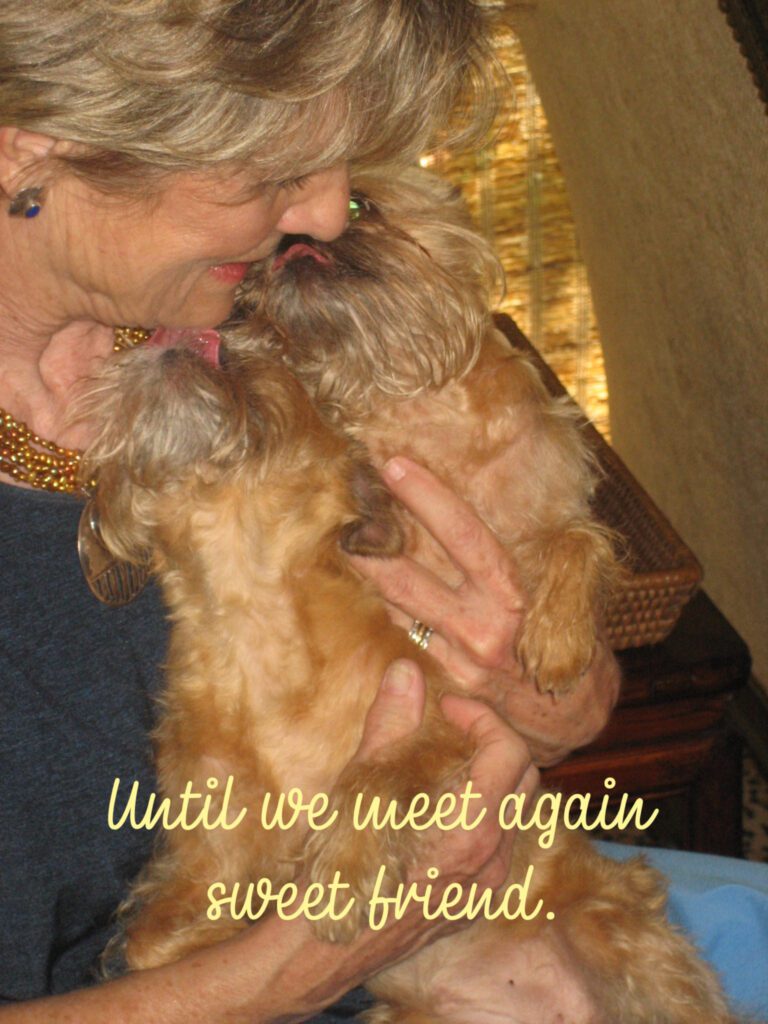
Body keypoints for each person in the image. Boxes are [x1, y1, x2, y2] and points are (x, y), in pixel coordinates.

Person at [0, 2, 620, 1021]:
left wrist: (554, 695)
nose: (329, 215)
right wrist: (313, 956)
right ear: (39, 150)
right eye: (275, 172)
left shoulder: (258, 305)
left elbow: (549, 644)